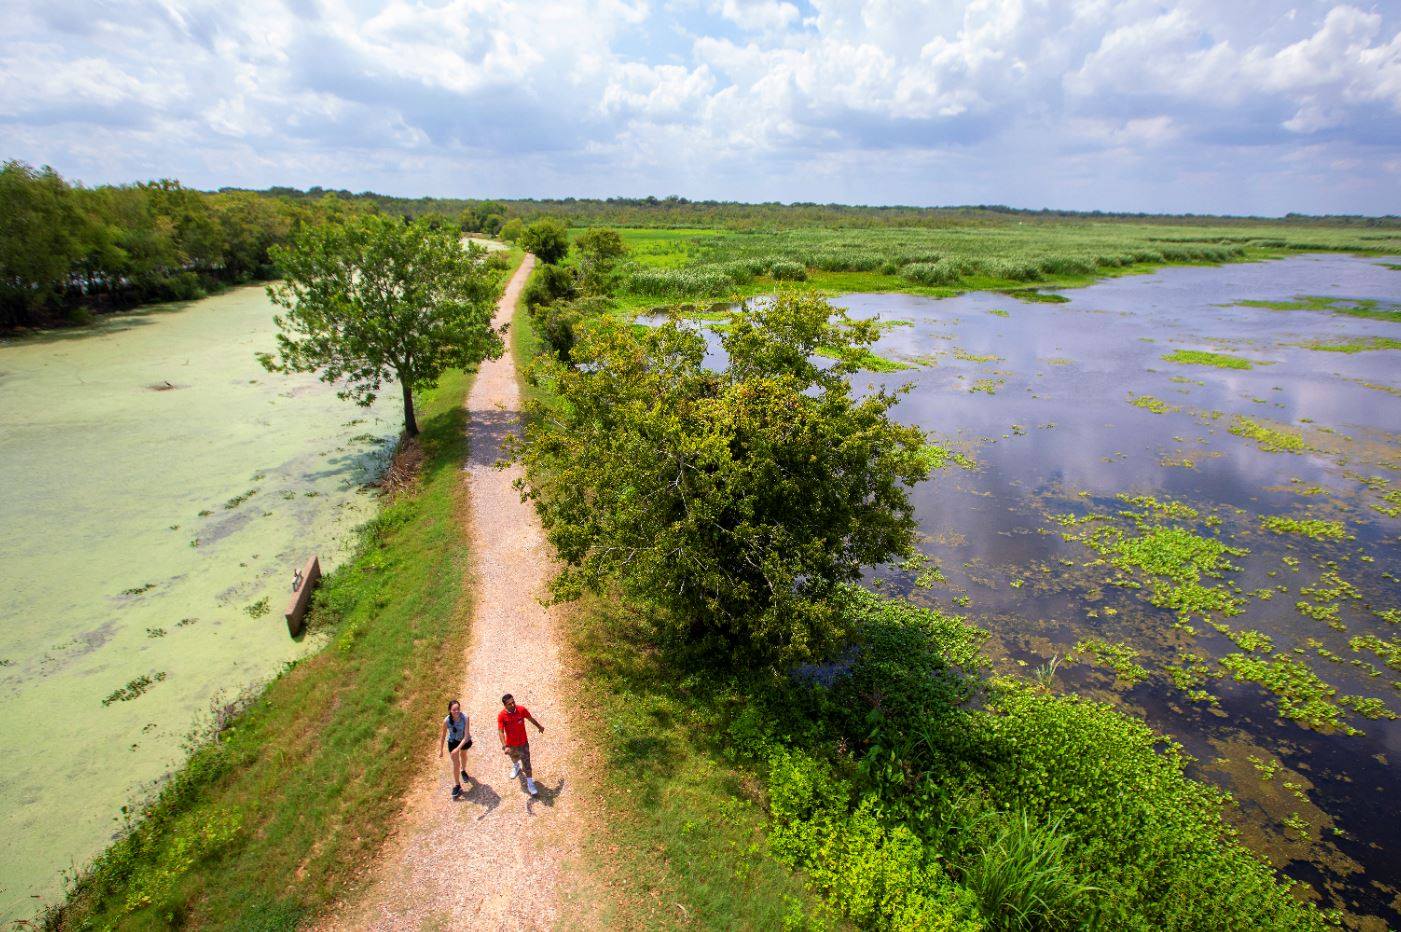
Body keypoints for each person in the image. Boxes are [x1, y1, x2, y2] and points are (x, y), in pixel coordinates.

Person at [497, 693, 544, 796]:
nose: (513, 705)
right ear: (505, 705)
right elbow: (500, 731)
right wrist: (505, 746)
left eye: (513, 702)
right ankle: (516, 766)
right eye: (509, 704)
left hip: (523, 743)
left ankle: (530, 784)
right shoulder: (501, 716)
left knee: (527, 763)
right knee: (514, 758)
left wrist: (539, 726)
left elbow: (530, 718)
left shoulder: (521, 710)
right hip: (511, 745)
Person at [438, 699, 472, 799]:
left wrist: (457, 749)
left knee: (464, 756)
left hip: (464, 741)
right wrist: (441, 750)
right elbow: (443, 736)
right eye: (454, 710)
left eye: (458, 709)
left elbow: (466, 736)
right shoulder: (446, 721)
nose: (456, 711)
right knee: (455, 764)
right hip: (453, 742)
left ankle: (463, 770)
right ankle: (457, 785)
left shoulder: (465, 717)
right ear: (449, 710)